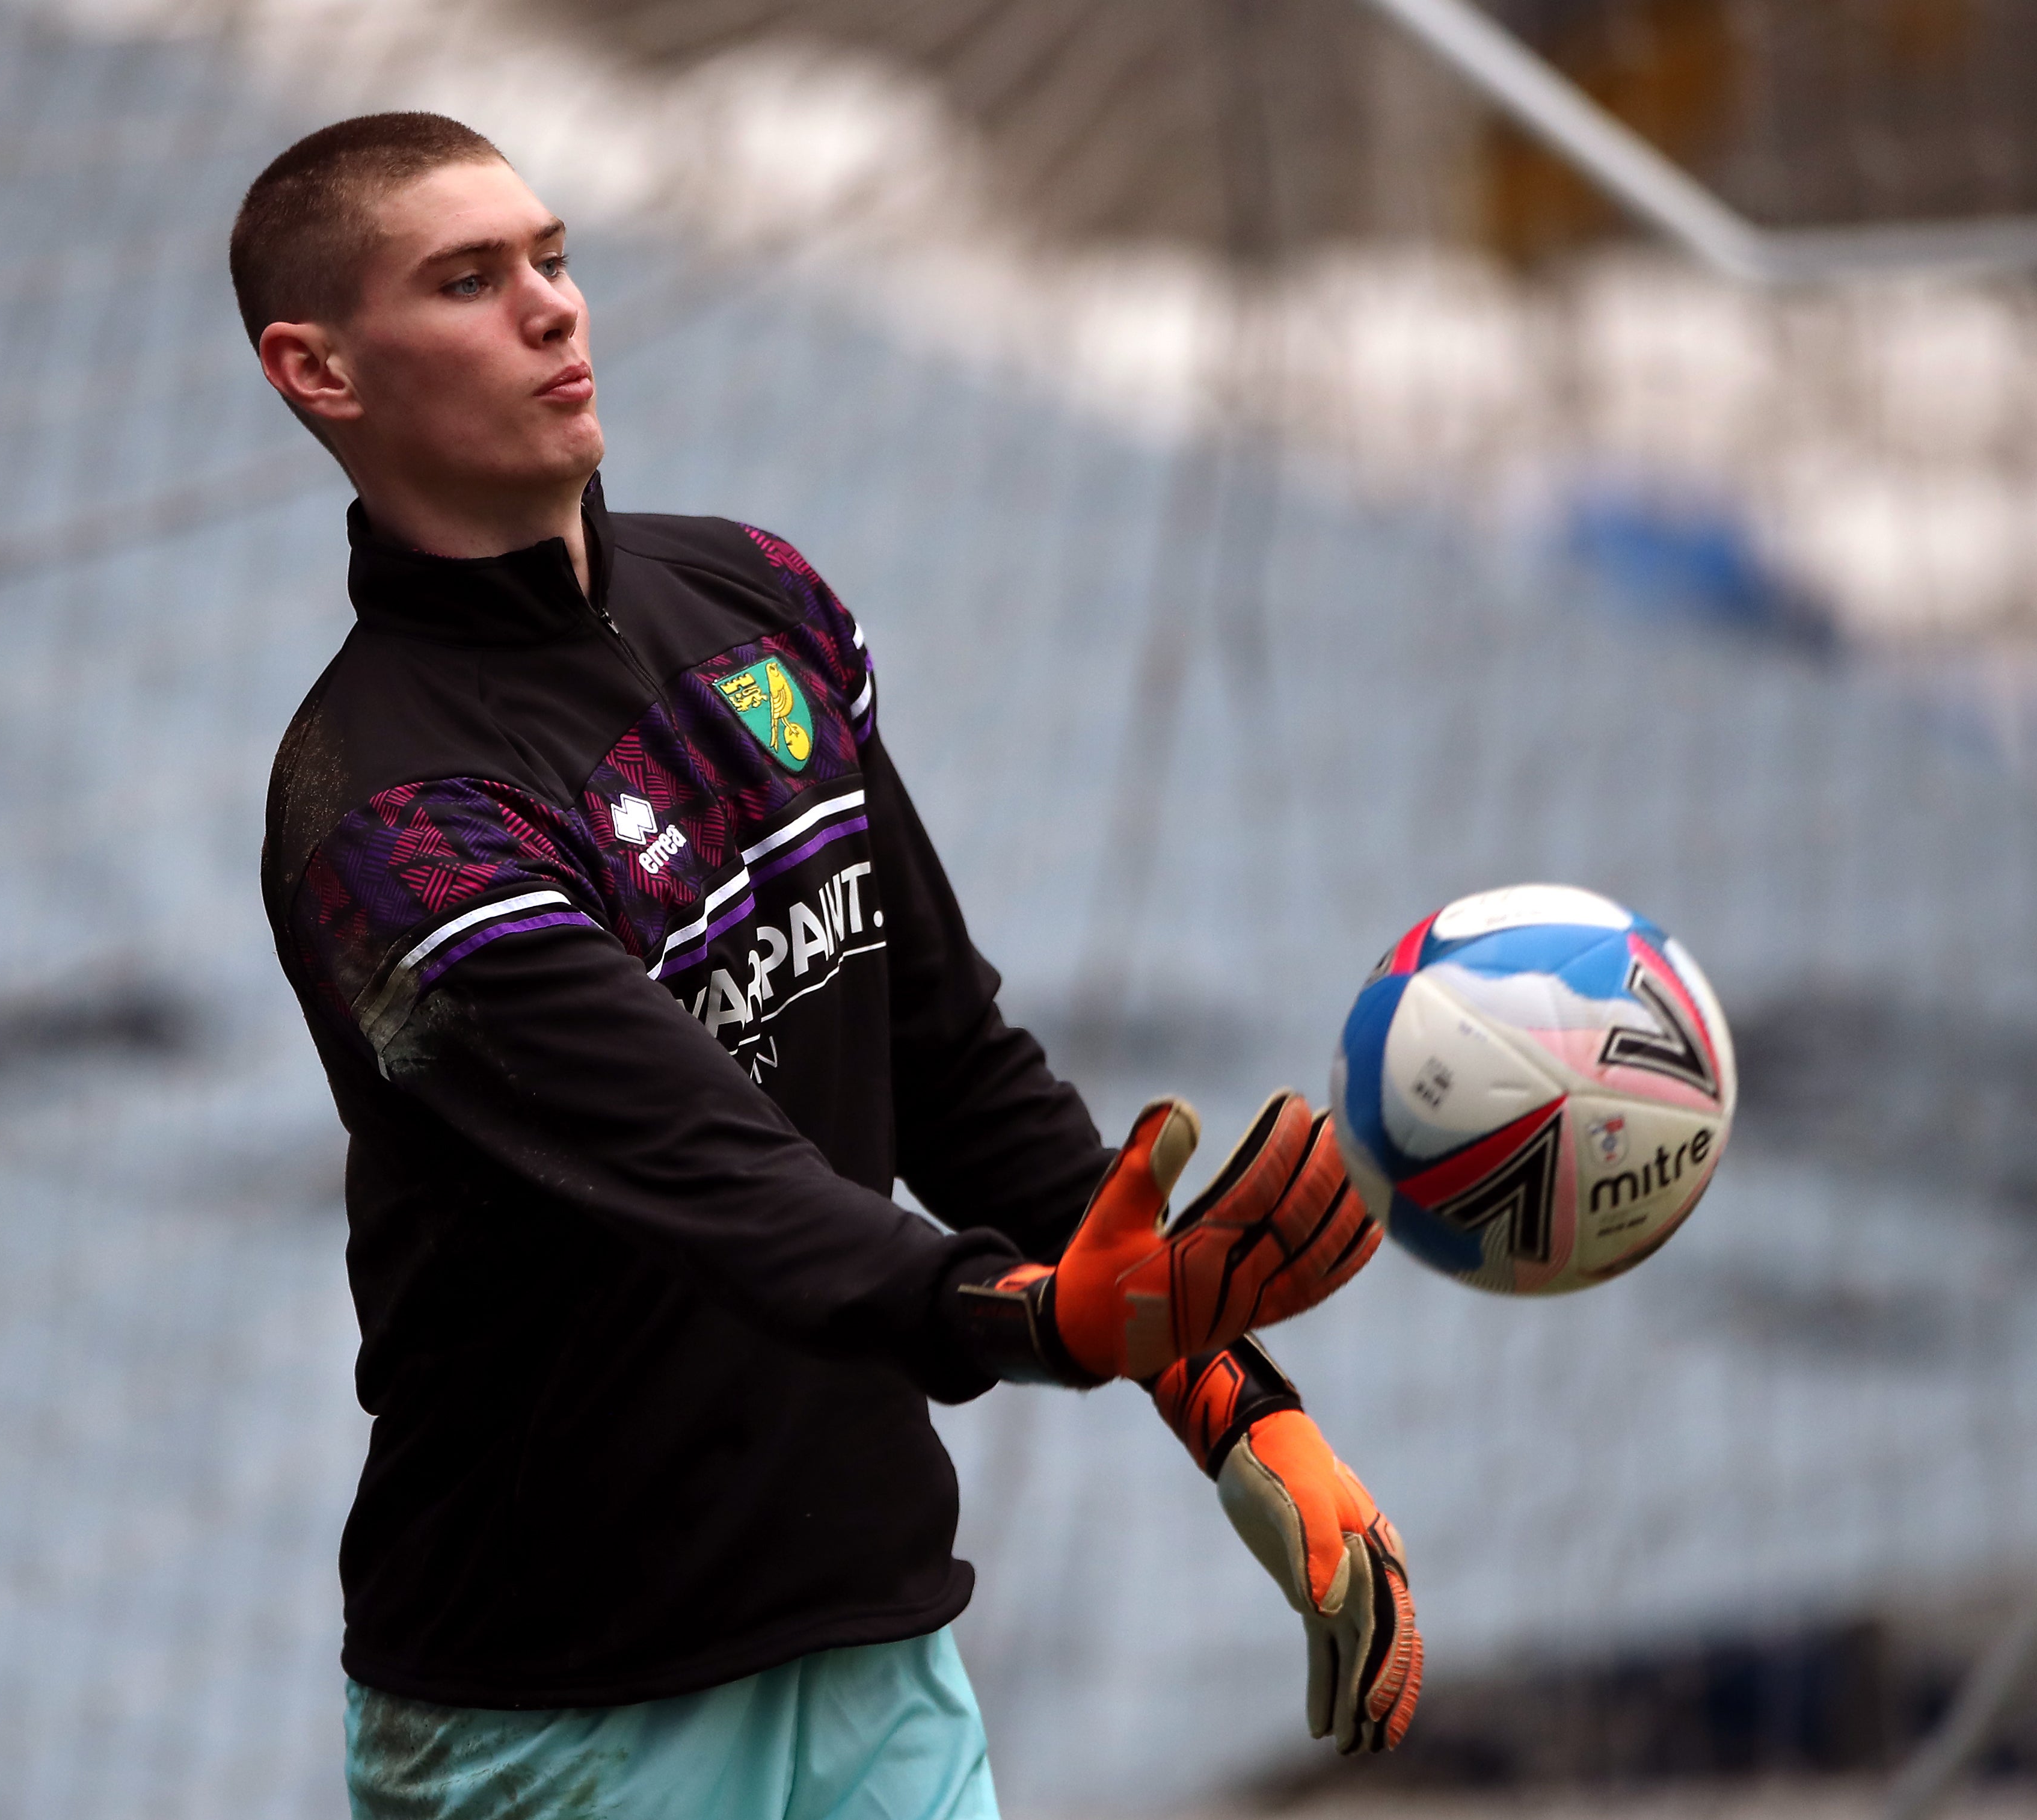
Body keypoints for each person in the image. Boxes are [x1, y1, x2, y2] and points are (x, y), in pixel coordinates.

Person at [231, 111, 1422, 1819]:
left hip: (872, 1648)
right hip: (563, 1713)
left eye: (553, 257)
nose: (552, 308)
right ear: (318, 369)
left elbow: (954, 1071)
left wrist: (1241, 1410)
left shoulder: (759, 598)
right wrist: (1025, 1318)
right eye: (469, 280)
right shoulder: (387, 813)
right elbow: (721, 1184)